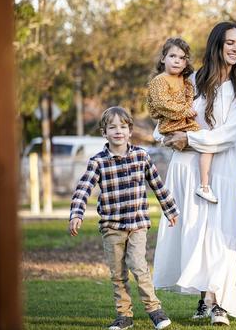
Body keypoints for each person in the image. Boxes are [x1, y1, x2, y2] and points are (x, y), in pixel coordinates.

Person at [152, 21, 236, 326]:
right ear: (216, 45)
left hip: (221, 169)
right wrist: (168, 136)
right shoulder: (193, 80)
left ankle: (220, 303)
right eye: (230, 43)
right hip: (186, 166)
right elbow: (169, 115)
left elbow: (228, 133)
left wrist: (192, 139)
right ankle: (204, 298)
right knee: (194, 231)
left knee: (221, 234)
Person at [68, 106, 179, 330]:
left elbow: (157, 185)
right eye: (112, 127)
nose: (118, 131)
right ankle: (124, 315)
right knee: (118, 274)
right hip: (112, 228)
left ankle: (154, 310)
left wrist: (170, 210)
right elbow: (83, 188)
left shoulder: (141, 156)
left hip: (137, 224)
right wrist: (76, 213)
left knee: (139, 266)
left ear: (130, 131)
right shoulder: (98, 162)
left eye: (123, 126)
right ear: (104, 132)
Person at [147, 37, 218, 203]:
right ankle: (204, 186)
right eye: (172, 56)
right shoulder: (160, 81)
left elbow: (189, 98)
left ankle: (203, 184)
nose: (177, 61)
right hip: (173, 123)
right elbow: (162, 104)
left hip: (184, 122)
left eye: (182, 58)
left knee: (208, 143)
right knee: (207, 142)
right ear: (163, 58)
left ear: (186, 63)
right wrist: (185, 111)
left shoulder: (185, 82)